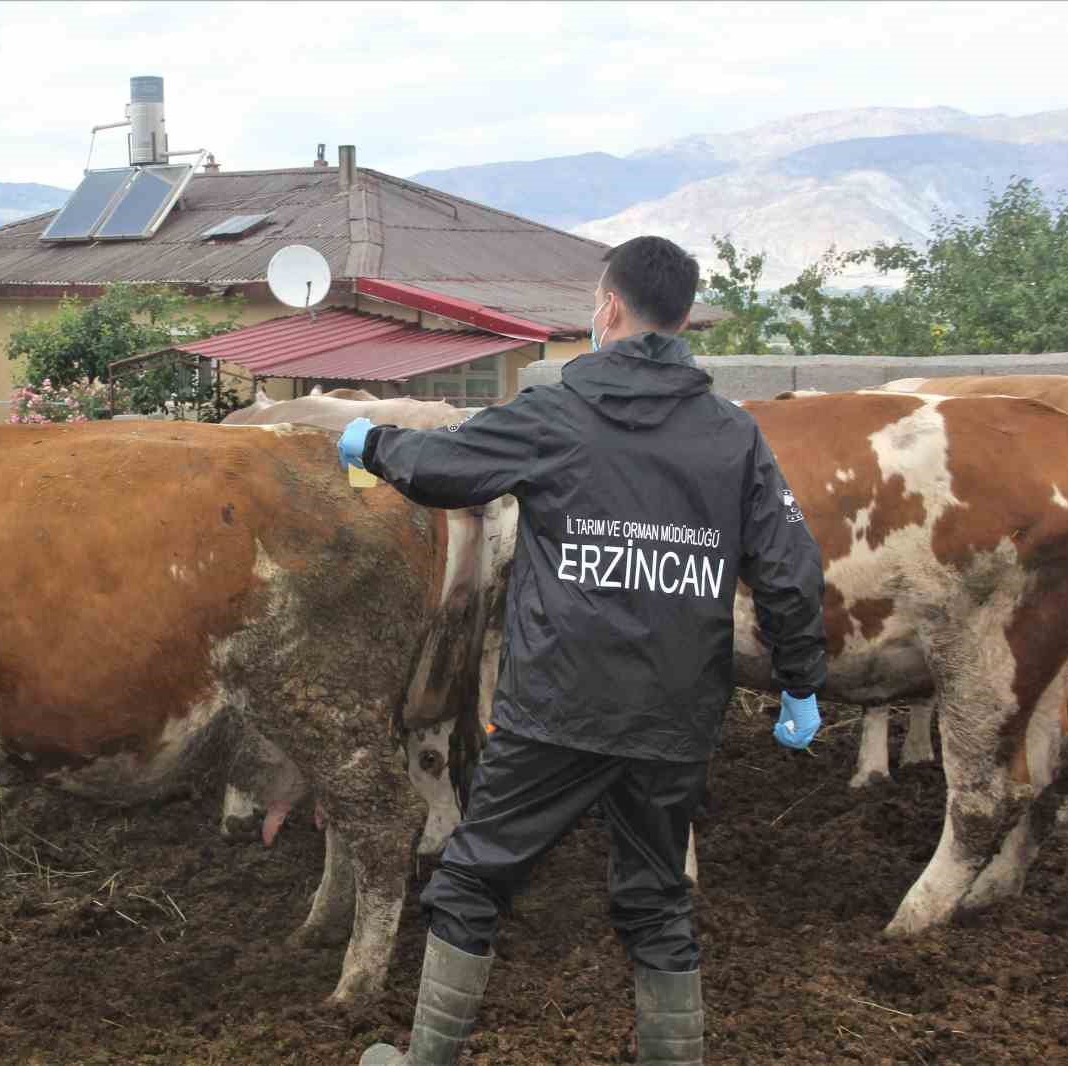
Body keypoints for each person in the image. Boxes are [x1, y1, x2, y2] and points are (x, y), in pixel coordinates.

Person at [340, 236, 828, 1066]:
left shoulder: (557, 415)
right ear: (681, 321)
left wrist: (370, 444)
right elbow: (790, 568)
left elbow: (448, 465)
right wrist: (801, 683)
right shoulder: (733, 435)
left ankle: (424, 1060)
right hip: (674, 716)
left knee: (473, 880)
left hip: (556, 710)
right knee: (657, 901)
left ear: (608, 309)